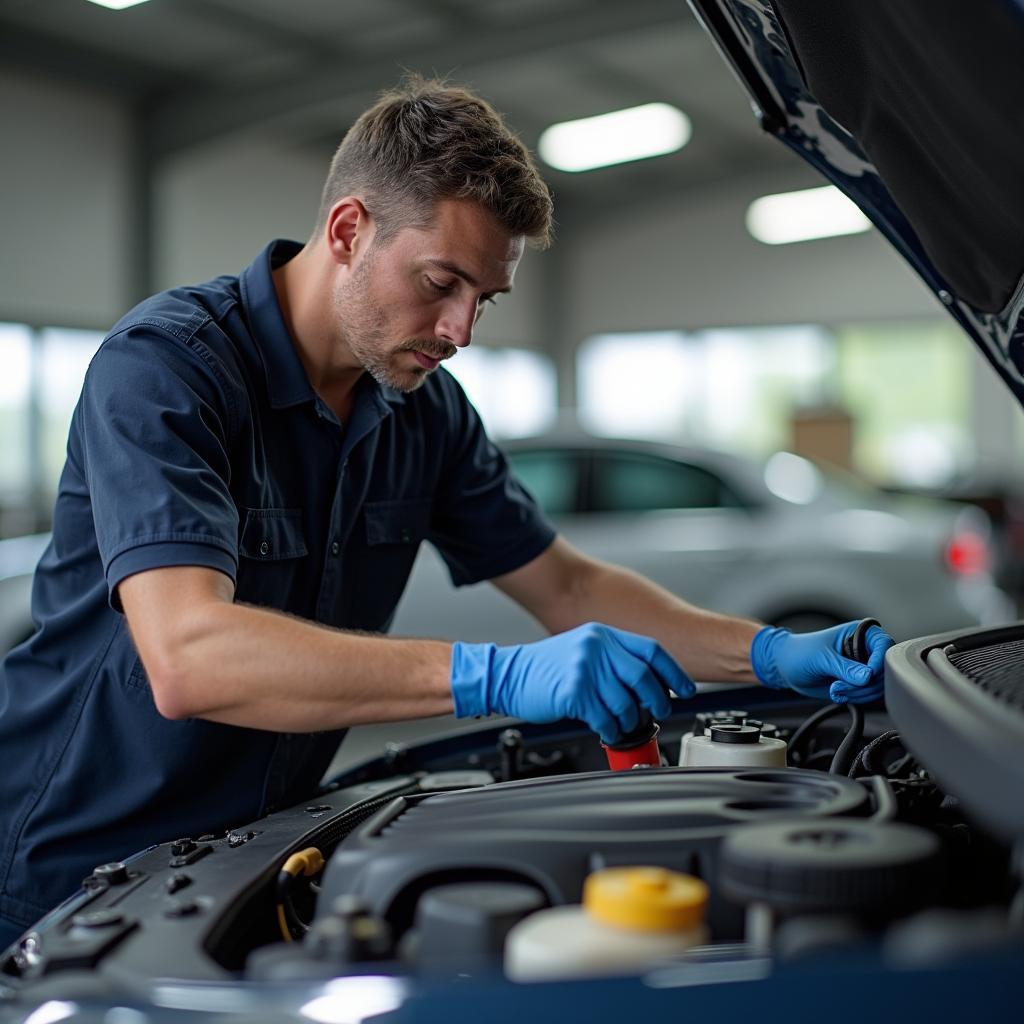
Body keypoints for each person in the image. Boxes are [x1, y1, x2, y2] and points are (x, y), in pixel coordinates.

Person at [0, 76, 892, 948]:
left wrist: (769, 654)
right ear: (349, 229)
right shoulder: (168, 370)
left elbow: (569, 585)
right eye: (441, 282)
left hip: (248, 855)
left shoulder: (422, 411)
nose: (462, 331)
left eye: (484, 299)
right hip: (68, 879)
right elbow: (189, 657)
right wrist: (495, 676)